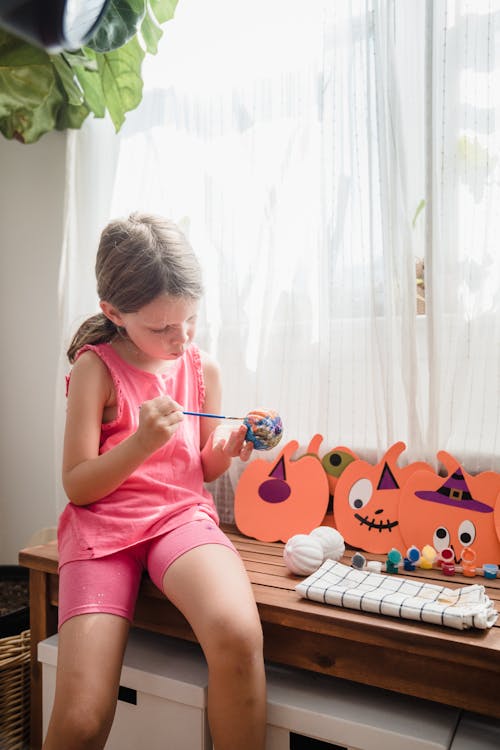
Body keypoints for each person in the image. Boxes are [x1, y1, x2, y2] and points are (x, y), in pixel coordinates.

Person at [43, 213, 267, 750]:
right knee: (81, 719)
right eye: (161, 327)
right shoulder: (95, 369)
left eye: (189, 320)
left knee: (238, 635)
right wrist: (140, 442)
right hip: (102, 531)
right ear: (113, 313)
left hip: (179, 519)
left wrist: (230, 449)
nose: (180, 337)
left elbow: (201, 468)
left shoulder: (200, 366)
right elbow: (78, 485)